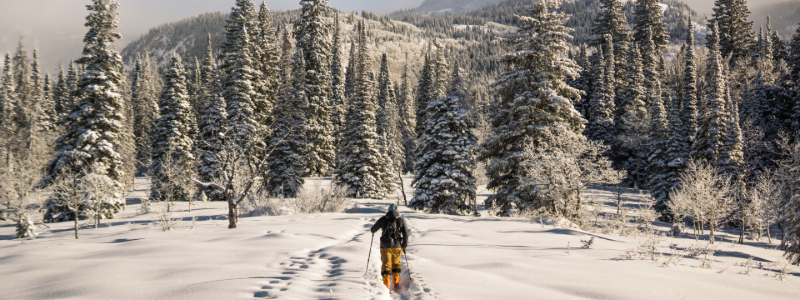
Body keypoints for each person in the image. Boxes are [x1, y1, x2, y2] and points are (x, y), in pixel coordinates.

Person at [370, 204, 409, 289]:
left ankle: (386, 285)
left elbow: (373, 229)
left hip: (385, 246)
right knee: (396, 263)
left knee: (386, 264)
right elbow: (405, 233)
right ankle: (395, 282)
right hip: (397, 246)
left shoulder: (383, 219)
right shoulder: (400, 220)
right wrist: (404, 244)